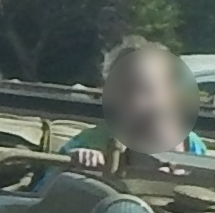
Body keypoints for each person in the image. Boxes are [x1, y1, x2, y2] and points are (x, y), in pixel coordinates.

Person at [64, 37, 206, 171]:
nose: (135, 101)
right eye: (124, 90)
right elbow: (44, 189)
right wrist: (72, 167)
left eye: (147, 90)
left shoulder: (188, 143)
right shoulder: (87, 142)